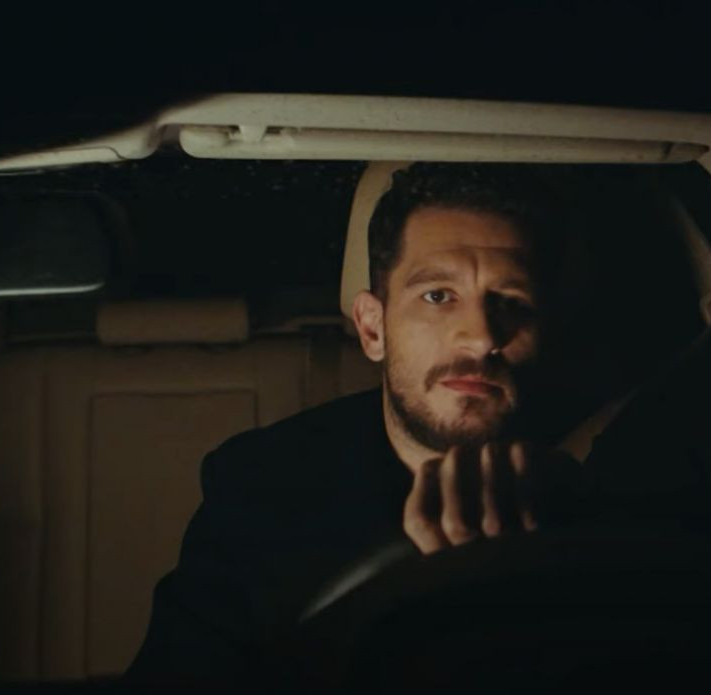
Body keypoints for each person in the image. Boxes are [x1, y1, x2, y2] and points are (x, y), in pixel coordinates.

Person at [125, 163, 582, 683]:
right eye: (438, 296)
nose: (480, 337)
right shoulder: (261, 487)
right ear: (373, 328)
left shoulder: (598, 484)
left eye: (511, 301)